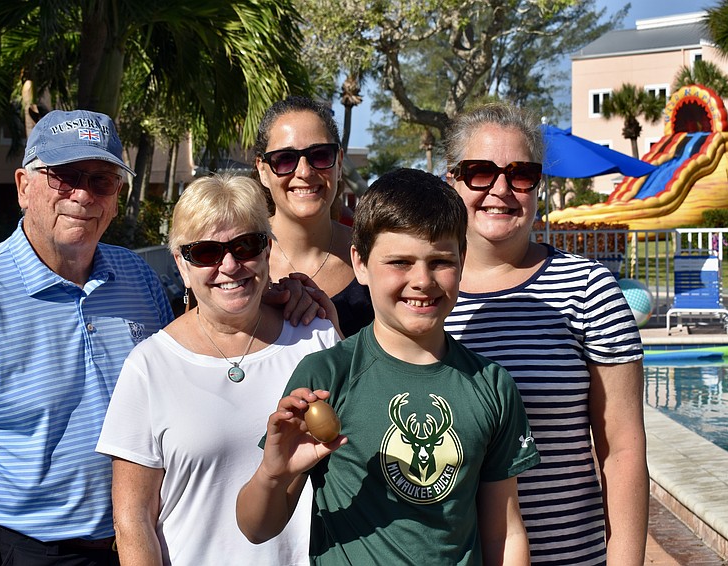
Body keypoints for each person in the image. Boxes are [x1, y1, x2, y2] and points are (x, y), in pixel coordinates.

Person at [0, 109, 173, 565]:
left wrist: (277, 299)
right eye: (64, 177)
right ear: (23, 187)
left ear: (115, 197)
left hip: (149, 542)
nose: (83, 194)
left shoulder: (139, 278)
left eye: (102, 180)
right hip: (34, 553)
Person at [236, 168, 540, 565]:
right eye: (399, 261)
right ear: (360, 264)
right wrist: (273, 474)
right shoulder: (325, 378)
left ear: (462, 262)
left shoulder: (491, 385)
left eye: (441, 261)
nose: (422, 280)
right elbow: (256, 528)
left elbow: (505, 530)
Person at [96, 173, 340, 565]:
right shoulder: (149, 366)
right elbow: (133, 520)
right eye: (206, 252)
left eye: (245, 245)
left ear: (267, 251)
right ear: (181, 264)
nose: (229, 265)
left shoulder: (316, 339)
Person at [441, 102, 648, 565]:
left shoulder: (589, 289)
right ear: (451, 179)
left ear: (538, 186)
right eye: (479, 172)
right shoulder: (423, 293)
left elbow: (623, 450)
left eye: (520, 175)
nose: (500, 190)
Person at [255, 96, 374, 338]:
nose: (304, 172)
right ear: (262, 170)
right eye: (285, 159)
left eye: (319, 155)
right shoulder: (230, 258)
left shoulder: (374, 255)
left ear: (339, 163)